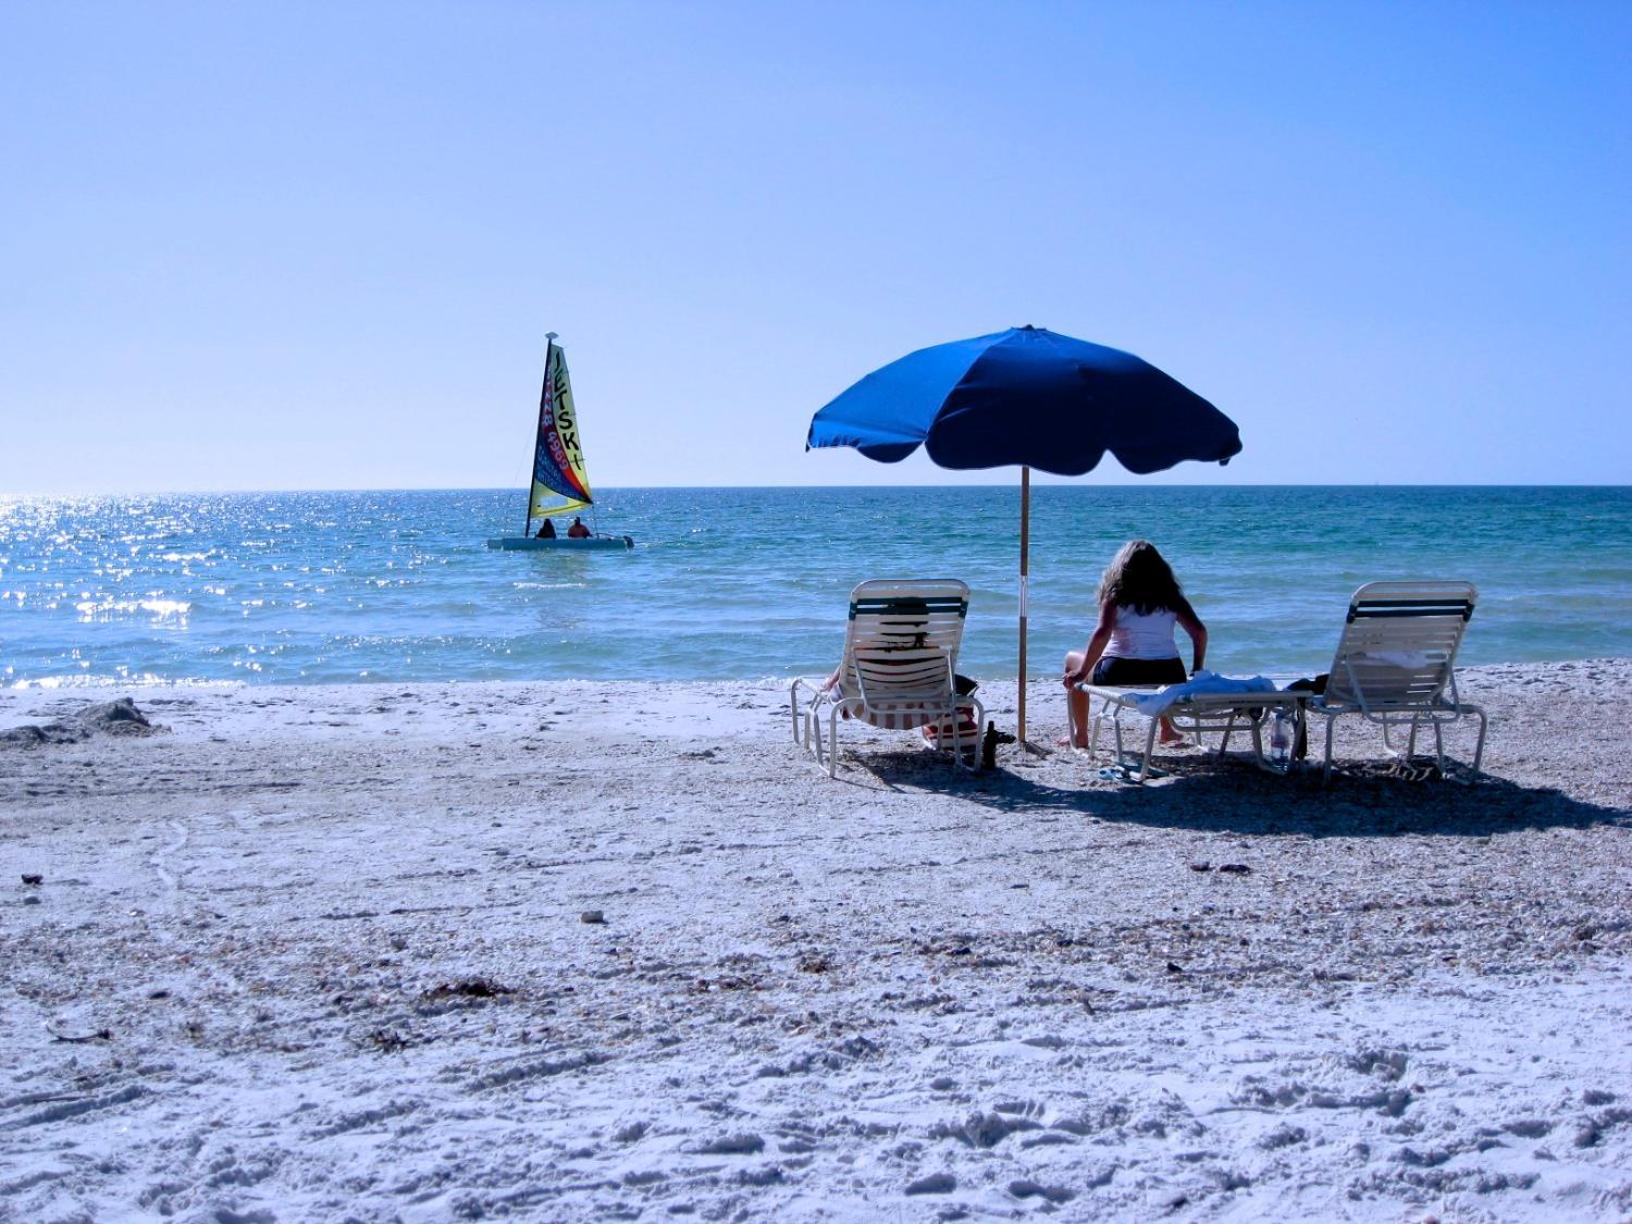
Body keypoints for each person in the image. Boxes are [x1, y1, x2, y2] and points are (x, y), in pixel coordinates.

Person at [1061, 540, 1207, 748]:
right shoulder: (1173, 598)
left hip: (1121, 671)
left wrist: (1082, 671)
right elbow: (1199, 633)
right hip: (1168, 673)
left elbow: (1102, 633)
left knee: (1071, 659)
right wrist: (1197, 668)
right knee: (1157, 677)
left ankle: (1081, 734)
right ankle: (1167, 730)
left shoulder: (1115, 597)